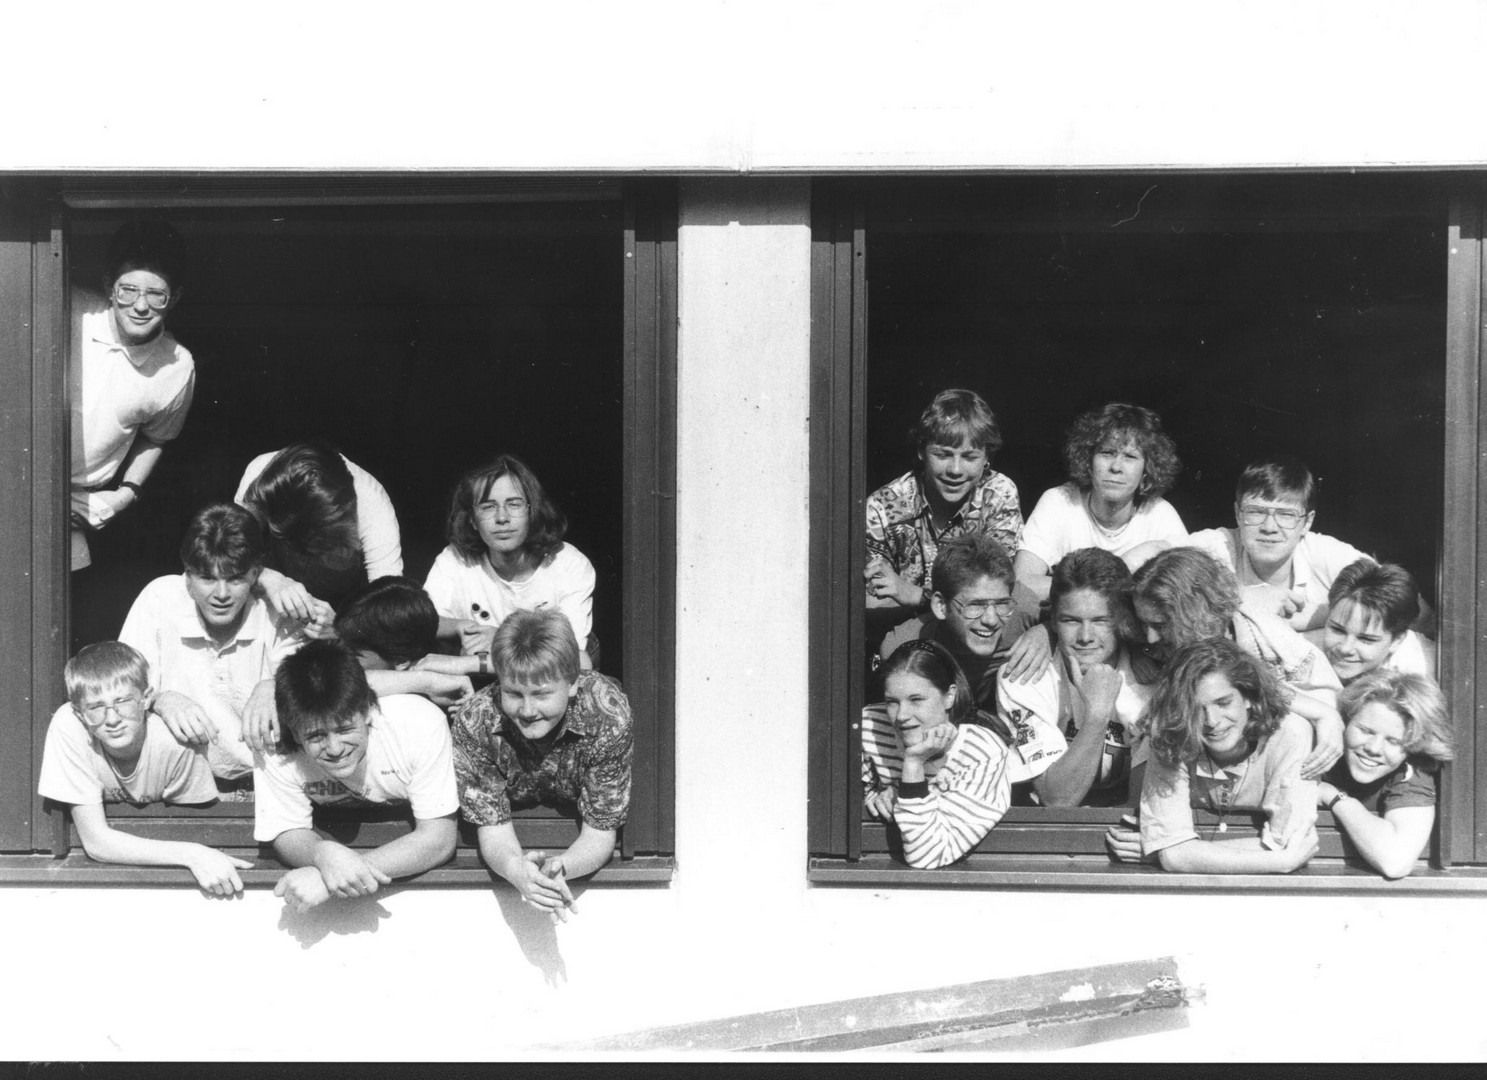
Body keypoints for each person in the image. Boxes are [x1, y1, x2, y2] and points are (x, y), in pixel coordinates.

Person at [451, 609, 632, 922]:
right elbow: (493, 831)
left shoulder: (607, 715)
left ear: (572, 683)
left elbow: (601, 833)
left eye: (541, 694)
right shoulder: (475, 720)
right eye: (513, 693)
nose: (528, 710)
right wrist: (517, 871)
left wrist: (560, 869)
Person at [254, 640, 458, 913]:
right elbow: (286, 831)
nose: (335, 748)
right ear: (293, 731)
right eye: (315, 736)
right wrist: (322, 854)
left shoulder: (419, 724)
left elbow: (439, 840)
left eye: (345, 729)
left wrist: (334, 874)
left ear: (368, 711)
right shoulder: (275, 745)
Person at [38, 641, 252, 896]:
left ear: (147, 698)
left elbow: (196, 827)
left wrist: (197, 854)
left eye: (124, 701)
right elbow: (95, 841)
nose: (112, 719)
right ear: (79, 713)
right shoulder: (69, 726)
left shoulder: (175, 742)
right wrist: (191, 854)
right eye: (95, 707)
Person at [118, 504, 302, 783]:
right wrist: (161, 699)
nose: (222, 594)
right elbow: (119, 689)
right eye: (207, 579)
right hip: (177, 781)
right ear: (188, 578)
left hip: (268, 781)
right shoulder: (159, 598)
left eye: (235, 579)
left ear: (254, 575)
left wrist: (275, 685)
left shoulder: (277, 610)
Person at [1105, 638, 1319, 874]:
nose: (1212, 721)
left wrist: (1179, 850)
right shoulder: (1170, 733)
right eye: (1195, 709)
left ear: (1249, 696)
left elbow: (1289, 842)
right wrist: (1281, 862)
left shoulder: (1290, 733)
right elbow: (1173, 854)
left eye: (1223, 703)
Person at [1132, 546, 1344, 778]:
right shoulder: (1162, 644)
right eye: (1144, 624)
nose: (1150, 638)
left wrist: (1325, 714)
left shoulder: (1275, 644)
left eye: (1160, 625)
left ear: (1193, 615)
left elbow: (1326, 709)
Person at [69, 221, 195, 577]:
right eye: (128, 290)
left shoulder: (177, 366)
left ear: (175, 298)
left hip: (80, 504)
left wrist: (125, 495)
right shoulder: (71, 308)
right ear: (109, 288)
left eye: (156, 295)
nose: (141, 306)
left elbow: (157, 437)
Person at [996, 548, 1156, 807]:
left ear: (1123, 620)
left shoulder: (1151, 673)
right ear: (1053, 620)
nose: (1085, 637)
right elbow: (1057, 799)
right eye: (1071, 621)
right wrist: (1097, 714)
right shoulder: (1022, 674)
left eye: (1101, 621)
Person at [865, 389, 1024, 639]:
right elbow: (872, 601)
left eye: (970, 457)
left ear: (986, 457)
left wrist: (914, 595)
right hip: (906, 633)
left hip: (979, 630)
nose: (956, 470)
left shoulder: (998, 493)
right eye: (943, 454)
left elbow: (994, 587)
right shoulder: (882, 505)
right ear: (921, 451)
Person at [426, 454, 598, 671]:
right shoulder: (454, 559)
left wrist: (496, 642)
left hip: (543, 678)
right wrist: (461, 626)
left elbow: (574, 659)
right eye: (488, 507)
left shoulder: (569, 564)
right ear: (472, 520)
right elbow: (422, 620)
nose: (502, 518)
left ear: (532, 512)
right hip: (482, 672)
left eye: (514, 504)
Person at [860, 640, 1013, 868]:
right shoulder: (870, 725)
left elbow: (927, 856)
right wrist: (871, 797)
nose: (901, 716)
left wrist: (913, 764)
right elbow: (839, 803)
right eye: (892, 702)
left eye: (916, 700)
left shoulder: (982, 752)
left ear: (949, 696)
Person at [1015, 403, 1187, 602]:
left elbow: (1187, 593)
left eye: (1130, 456)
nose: (1116, 467)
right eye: (1107, 453)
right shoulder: (1059, 501)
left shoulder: (1159, 514)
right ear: (1088, 461)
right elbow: (1021, 585)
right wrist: (1121, 575)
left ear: (1147, 470)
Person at [235, 440, 404, 635]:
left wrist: (343, 628)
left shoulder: (373, 507)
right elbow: (230, 554)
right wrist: (268, 578)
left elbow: (391, 606)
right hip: (267, 603)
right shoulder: (259, 476)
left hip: (344, 610)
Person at [1186, 456, 1371, 632]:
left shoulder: (1324, 553)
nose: (1269, 527)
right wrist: (1243, 598)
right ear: (1238, 514)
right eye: (1256, 512)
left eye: (1286, 515)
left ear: (1307, 522)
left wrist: (1318, 616)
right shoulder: (1217, 546)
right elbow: (1164, 561)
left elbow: (1385, 590)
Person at [881, 533, 1052, 702]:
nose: (991, 620)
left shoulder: (1021, 606)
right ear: (941, 606)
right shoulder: (905, 647)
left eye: (1001, 603)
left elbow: (1064, 613)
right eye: (975, 605)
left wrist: (1046, 632)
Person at [1317, 671, 1453, 879]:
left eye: (1394, 741)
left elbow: (1395, 862)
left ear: (1413, 747)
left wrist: (1333, 796)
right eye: (1366, 730)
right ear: (1345, 721)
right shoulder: (1317, 746)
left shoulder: (1412, 771)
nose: (1373, 748)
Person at [1319, 560, 1437, 684]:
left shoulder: (1420, 675)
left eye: (1366, 639)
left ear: (1397, 640)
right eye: (1337, 630)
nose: (1345, 648)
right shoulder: (1310, 645)